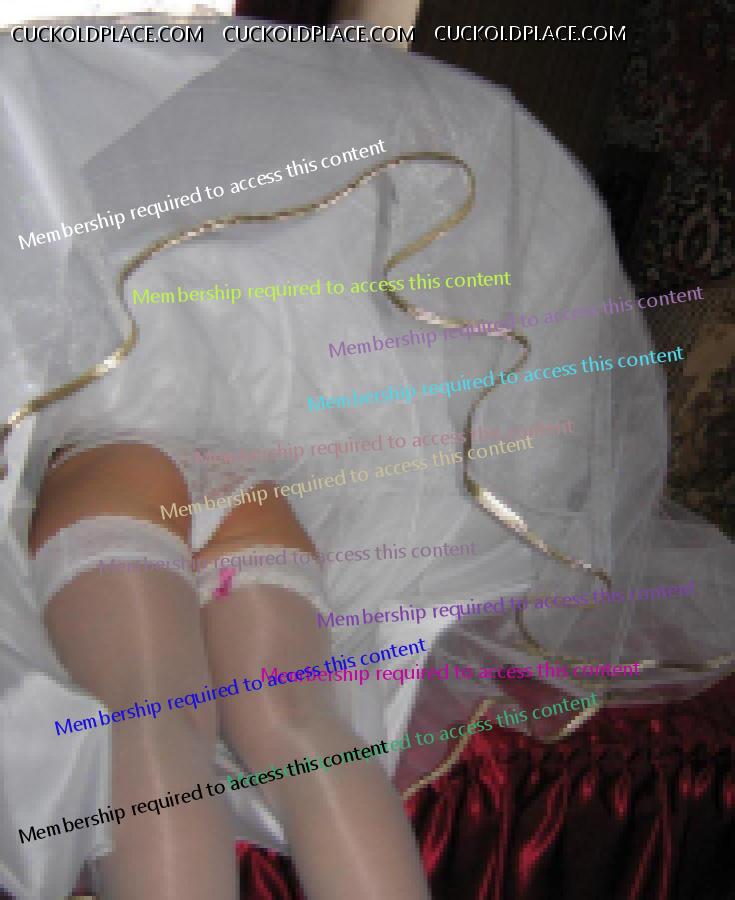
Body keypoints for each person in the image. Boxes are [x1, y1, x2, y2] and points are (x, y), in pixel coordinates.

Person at [1, 19, 733, 899]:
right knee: (306, 734)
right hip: (256, 497)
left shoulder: (80, 221)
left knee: (156, 719)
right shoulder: (239, 233)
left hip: (113, 475)